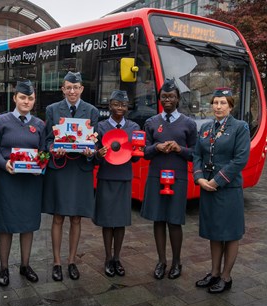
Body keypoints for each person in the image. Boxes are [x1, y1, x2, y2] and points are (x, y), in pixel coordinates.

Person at [42, 71, 99, 281]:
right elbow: (47, 139)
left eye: (76, 88)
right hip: (61, 167)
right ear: (63, 89)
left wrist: (90, 150)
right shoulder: (52, 110)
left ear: (82, 89)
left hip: (80, 169)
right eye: (68, 88)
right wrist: (53, 148)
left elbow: (95, 142)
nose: (72, 91)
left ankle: (72, 261)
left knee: (76, 217)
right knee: (58, 216)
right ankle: (57, 263)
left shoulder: (91, 111)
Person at [193, 88, 250, 294]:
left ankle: (226, 277)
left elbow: (240, 159)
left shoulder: (239, 127)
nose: (218, 106)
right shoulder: (206, 127)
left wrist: (216, 181)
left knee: (231, 233)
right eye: (215, 102)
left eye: (223, 103)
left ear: (231, 106)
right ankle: (214, 273)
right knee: (214, 232)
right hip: (207, 187)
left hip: (227, 189)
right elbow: (197, 154)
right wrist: (199, 178)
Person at [0, 80, 45, 286]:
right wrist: (4, 165)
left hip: (30, 182)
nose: (26, 101)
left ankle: (25, 265)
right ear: (15, 98)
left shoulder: (40, 125)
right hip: (8, 180)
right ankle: (4, 268)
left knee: (28, 224)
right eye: (23, 97)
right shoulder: (1, 121)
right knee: (6, 225)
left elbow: (43, 150)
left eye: (30, 98)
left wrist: (42, 164)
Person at [140, 79, 197, 280]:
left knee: (174, 221)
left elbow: (194, 153)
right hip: (156, 176)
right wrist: (156, 147)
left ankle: (176, 262)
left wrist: (179, 148)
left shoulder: (188, 124)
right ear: (160, 98)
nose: (167, 100)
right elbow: (144, 152)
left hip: (178, 178)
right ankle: (161, 261)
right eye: (164, 96)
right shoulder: (151, 122)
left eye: (171, 96)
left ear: (178, 98)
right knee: (158, 220)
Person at [94, 90, 140, 277]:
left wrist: (138, 151)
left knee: (120, 221)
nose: (119, 108)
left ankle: (117, 258)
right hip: (106, 177)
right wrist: (98, 154)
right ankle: (107, 258)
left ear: (127, 107)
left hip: (123, 178)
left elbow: (136, 159)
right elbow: (95, 158)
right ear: (109, 105)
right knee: (107, 221)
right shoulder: (101, 127)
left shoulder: (134, 127)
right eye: (116, 104)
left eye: (123, 105)